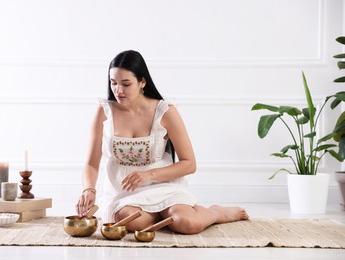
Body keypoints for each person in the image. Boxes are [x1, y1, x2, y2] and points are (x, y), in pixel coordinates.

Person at [76, 50, 249, 234]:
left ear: (142, 81)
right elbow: (91, 163)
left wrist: (148, 175)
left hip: (163, 186)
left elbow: (189, 164)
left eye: (126, 84)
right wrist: (89, 190)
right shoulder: (105, 111)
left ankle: (216, 212)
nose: (118, 90)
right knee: (131, 222)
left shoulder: (165, 111)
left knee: (187, 223)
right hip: (125, 193)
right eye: (113, 83)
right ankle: (164, 217)